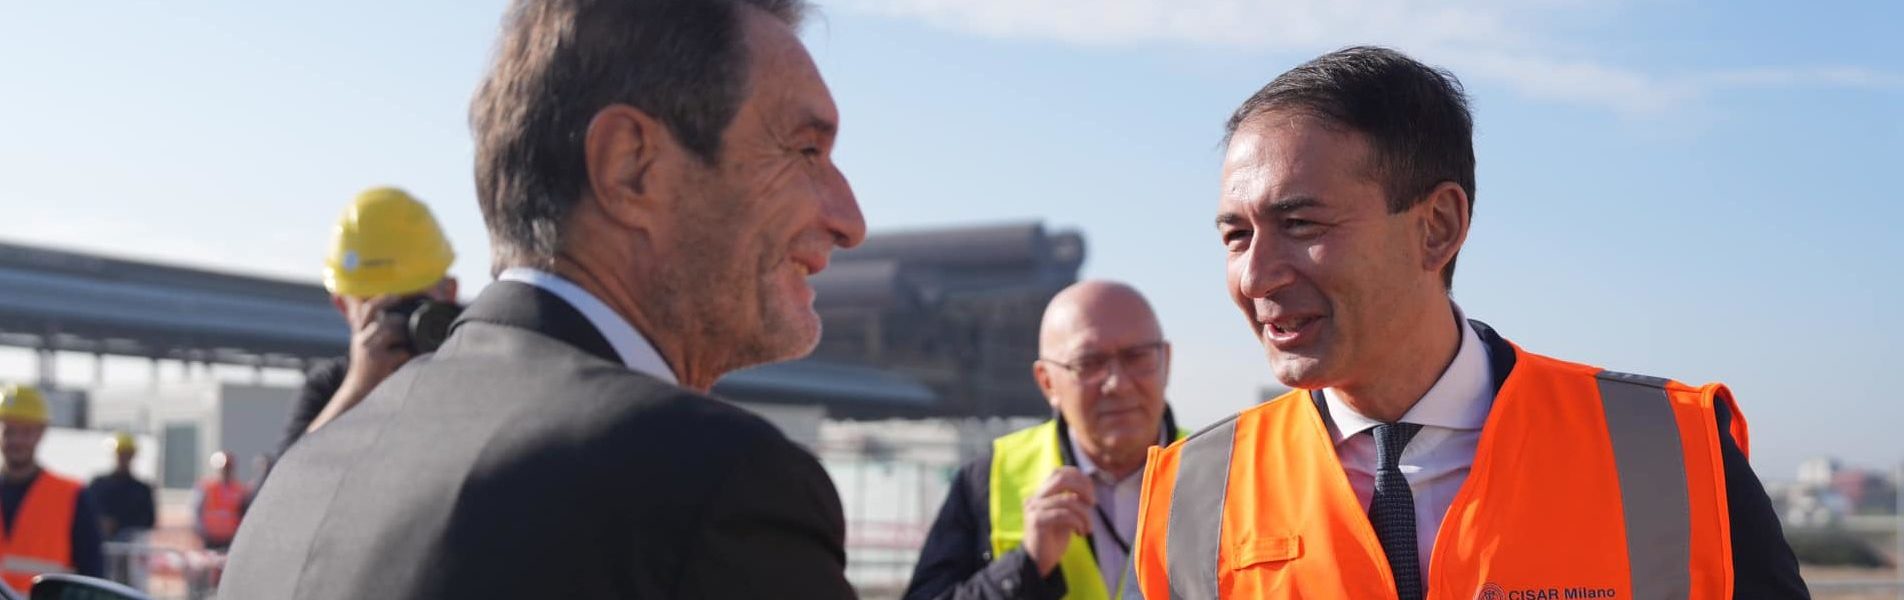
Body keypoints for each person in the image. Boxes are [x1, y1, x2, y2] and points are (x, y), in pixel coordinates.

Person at [219, 0, 863, 597]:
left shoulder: (296, 487)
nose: (850, 220)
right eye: (806, 151)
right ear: (631, 166)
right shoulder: (717, 487)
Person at [1131, 47, 1807, 599]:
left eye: (1300, 224)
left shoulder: (1669, 451)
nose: (1255, 276)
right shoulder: (1193, 494)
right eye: (1235, 236)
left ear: (1438, 228)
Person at [905, 281, 1184, 600]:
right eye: (1089, 363)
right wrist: (1026, 566)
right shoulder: (987, 483)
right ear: (1047, 382)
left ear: (1166, 362)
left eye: (1136, 357)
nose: (1117, 383)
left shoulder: (1224, 471)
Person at [278, 186, 460, 454]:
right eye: (376, 306)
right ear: (342, 306)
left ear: (449, 294)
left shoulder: (475, 376)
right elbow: (277, 489)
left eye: (412, 303)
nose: (395, 325)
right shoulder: (330, 386)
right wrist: (357, 388)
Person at [0, 384, 104, 590]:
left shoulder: (73, 495)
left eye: (26, 431)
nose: (17, 440)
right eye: (10, 430)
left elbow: (93, 576)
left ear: (41, 433)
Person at [86, 432, 156, 542]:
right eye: (121, 453)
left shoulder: (142, 489)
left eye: (127, 454)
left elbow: (149, 520)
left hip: (130, 548)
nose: (123, 458)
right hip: (99, 546)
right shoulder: (98, 485)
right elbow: (86, 511)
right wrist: (101, 522)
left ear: (132, 456)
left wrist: (119, 524)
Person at [192, 451, 246, 551]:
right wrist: (200, 530)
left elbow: (242, 512)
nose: (226, 471)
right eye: (224, 468)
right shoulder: (207, 487)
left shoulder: (239, 489)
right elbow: (197, 510)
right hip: (210, 537)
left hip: (230, 537)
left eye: (228, 468)